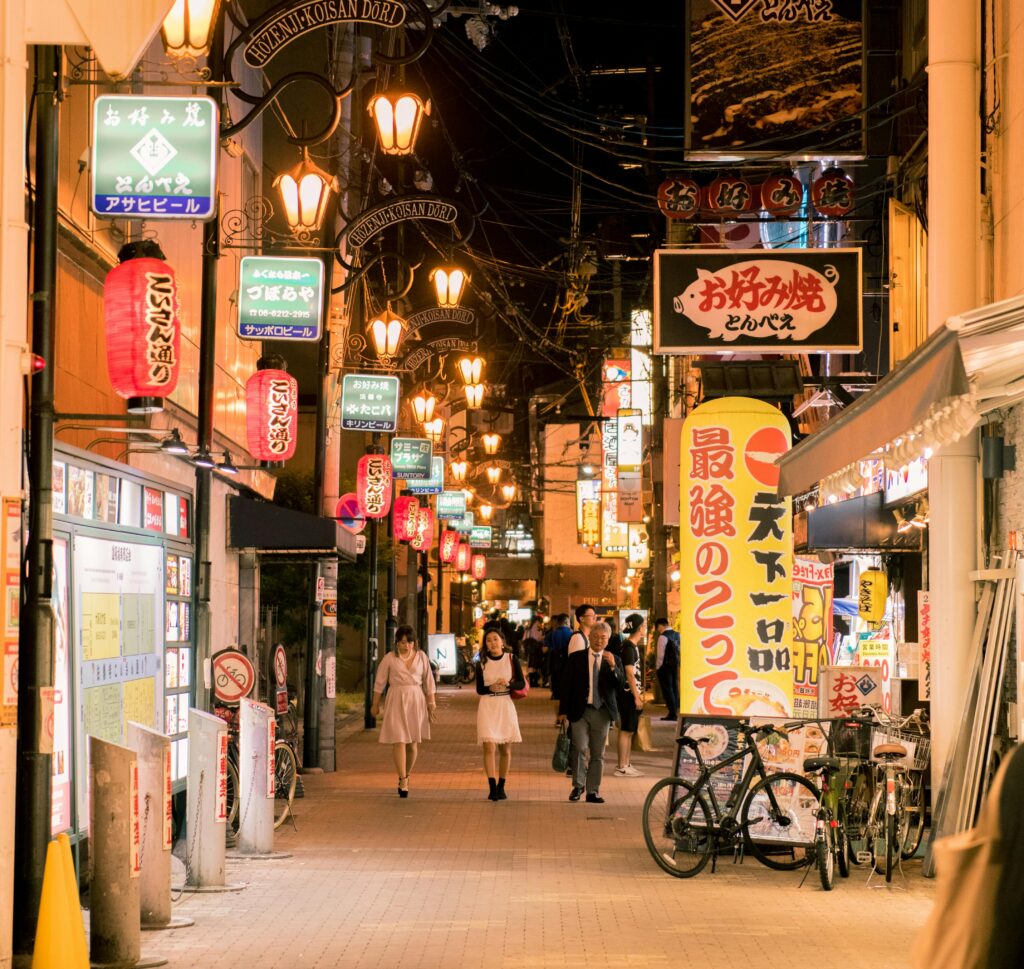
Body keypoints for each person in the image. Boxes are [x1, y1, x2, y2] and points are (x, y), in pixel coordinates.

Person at [558, 621, 624, 803]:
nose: (599, 640)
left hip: (602, 712)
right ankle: (578, 786)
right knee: (579, 747)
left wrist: (613, 668)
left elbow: (619, 686)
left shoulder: (614, 659)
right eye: (595, 637)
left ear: (608, 639)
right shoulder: (576, 658)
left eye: (603, 637)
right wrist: (563, 711)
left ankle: (593, 791)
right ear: (589, 637)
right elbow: (566, 686)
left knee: (598, 753)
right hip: (580, 710)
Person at [370, 625, 437, 797]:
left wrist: (431, 702)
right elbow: (379, 683)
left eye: (409, 642)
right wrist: (375, 704)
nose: (406, 645)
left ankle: (406, 774)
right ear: (396, 643)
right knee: (399, 739)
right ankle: (403, 778)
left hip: (416, 699)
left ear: (414, 643)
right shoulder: (390, 658)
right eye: (402, 642)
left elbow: (428, 681)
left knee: (412, 743)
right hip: (396, 699)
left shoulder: (421, 657)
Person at [475, 628, 525, 801]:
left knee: (505, 748)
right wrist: (490, 688)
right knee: (489, 746)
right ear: (486, 645)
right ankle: (491, 786)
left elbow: (521, 683)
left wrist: (509, 684)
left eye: (495, 639)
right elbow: (479, 688)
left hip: (505, 705)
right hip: (488, 704)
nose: (492, 643)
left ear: (502, 641)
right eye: (488, 640)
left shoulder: (511, 658)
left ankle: (502, 785)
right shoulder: (481, 662)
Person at [614, 613, 646, 777]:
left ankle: (626, 763)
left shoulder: (631, 647)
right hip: (628, 695)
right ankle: (621, 766)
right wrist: (636, 696)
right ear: (640, 628)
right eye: (644, 625)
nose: (645, 628)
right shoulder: (628, 648)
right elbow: (629, 673)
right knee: (626, 730)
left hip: (631, 694)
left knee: (630, 730)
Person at [654, 617, 679, 721]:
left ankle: (672, 713)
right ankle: (674, 711)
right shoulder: (677, 635)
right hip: (675, 665)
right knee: (674, 688)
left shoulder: (663, 637)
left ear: (660, 625)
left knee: (667, 690)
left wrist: (658, 668)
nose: (657, 630)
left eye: (657, 627)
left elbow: (660, 655)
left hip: (665, 667)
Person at [546, 614, 572, 700]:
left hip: (555, 657)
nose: (569, 623)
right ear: (565, 622)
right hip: (566, 658)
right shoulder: (570, 633)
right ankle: (563, 694)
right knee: (565, 676)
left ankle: (555, 694)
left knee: (555, 676)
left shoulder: (553, 633)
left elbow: (548, 646)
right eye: (568, 621)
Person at [524, 618, 546, 688]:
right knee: (535, 665)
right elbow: (537, 638)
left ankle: (532, 681)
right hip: (535, 648)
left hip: (531, 649)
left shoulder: (530, 627)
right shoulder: (536, 626)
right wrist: (544, 637)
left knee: (531, 664)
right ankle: (534, 682)